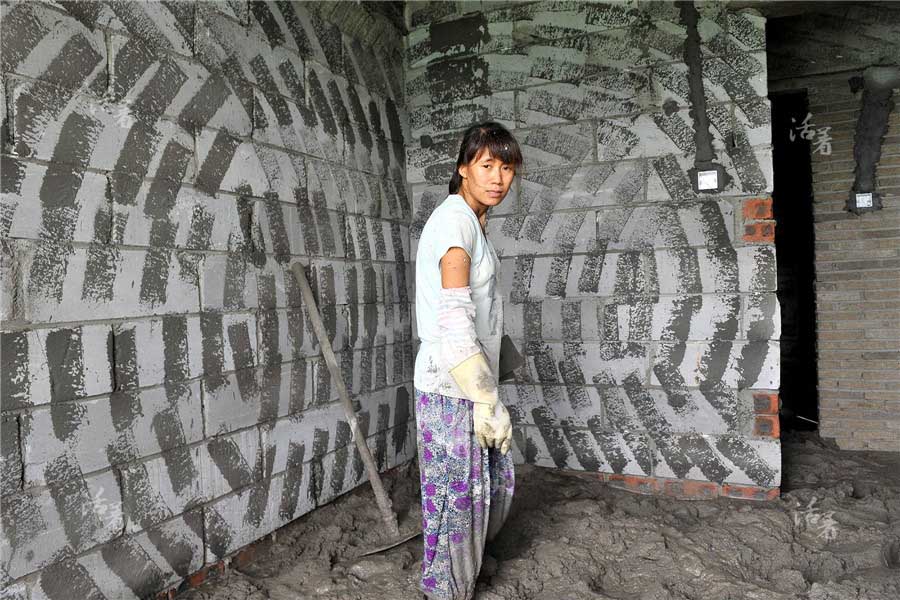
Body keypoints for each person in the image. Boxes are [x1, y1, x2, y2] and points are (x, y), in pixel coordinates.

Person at [413, 121, 524, 600]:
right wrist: (484, 399)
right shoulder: (455, 222)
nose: (498, 177)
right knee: (455, 496)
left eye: (506, 167)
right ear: (463, 169)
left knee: (485, 486)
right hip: (450, 385)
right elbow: (454, 316)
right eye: (486, 166)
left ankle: (468, 568)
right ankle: (444, 589)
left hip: (470, 379)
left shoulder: (473, 221)